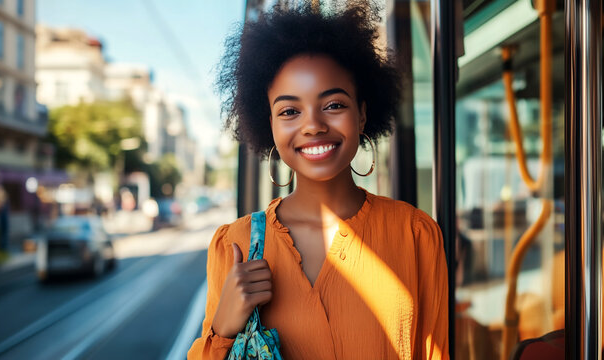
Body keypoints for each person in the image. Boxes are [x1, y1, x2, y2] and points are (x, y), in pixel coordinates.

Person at [188, 3, 449, 359]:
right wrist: (223, 328)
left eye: (334, 105)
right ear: (270, 125)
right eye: (290, 111)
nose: (312, 126)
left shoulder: (416, 234)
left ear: (362, 114)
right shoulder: (234, 244)